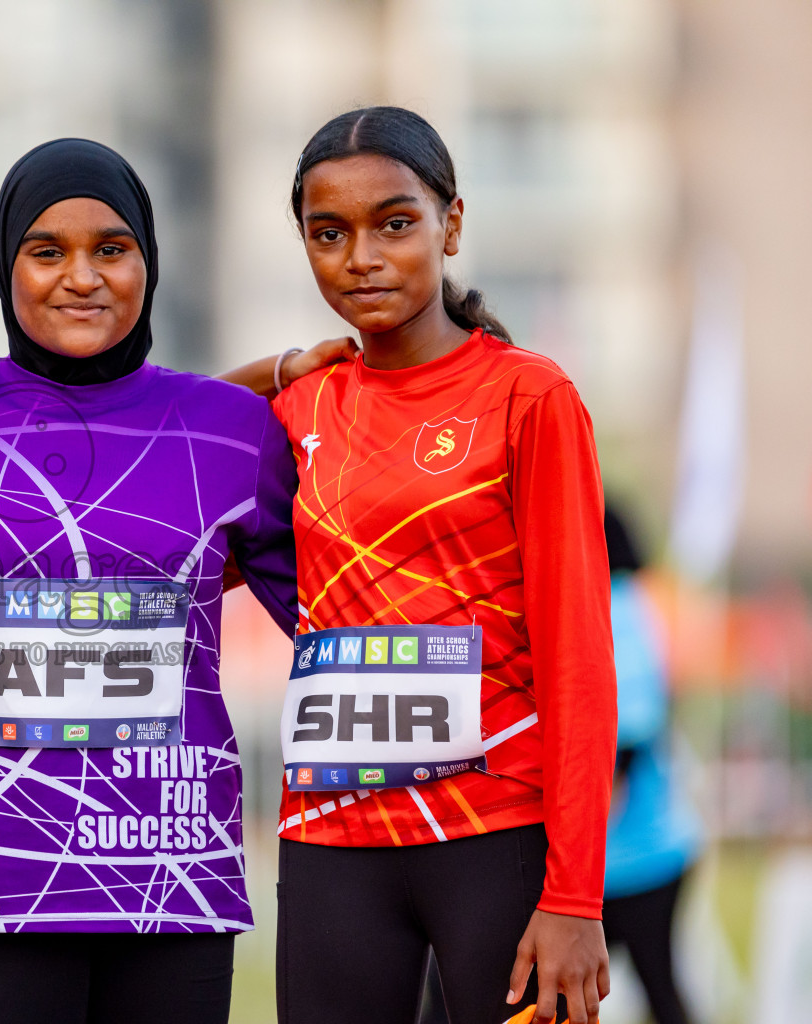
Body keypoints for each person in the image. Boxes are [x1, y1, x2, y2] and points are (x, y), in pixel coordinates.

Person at [0, 138, 303, 1024]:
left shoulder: (235, 429)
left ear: (148, 264)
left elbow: (340, 615)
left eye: (111, 249)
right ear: (7, 268)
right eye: (48, 251)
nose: (82, 276)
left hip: (175, 878)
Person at [263, 107, 616, 1024]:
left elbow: (579, 660)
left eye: (395, 223)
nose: (363, 258)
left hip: (495, 834)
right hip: (331, 833)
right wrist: (278, 368)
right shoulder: (302, 407)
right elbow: (171, 447)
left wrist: (575, 898)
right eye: (328, 233)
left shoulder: (529, 397)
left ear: (451, 224)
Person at [601, 505, 699, 1024]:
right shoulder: (638, 603)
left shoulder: (616, 606)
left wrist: (578, 840)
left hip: (633, 858)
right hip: (647, 852)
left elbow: (629, 734)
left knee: (658, 995)